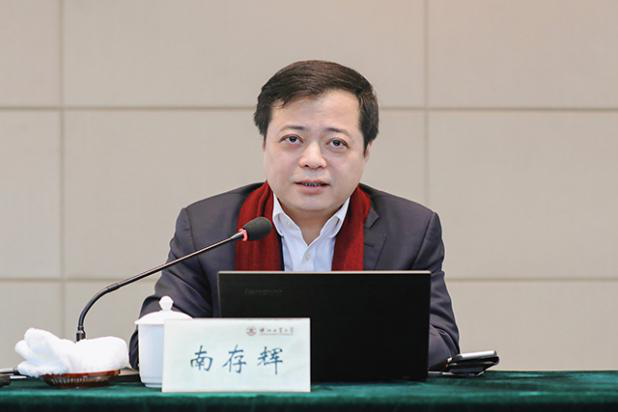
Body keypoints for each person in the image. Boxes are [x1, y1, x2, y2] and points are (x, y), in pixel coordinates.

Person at [129, 60, 459, 368]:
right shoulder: (207, 228)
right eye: (292, 139)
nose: (312, 159)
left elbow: (441, 342)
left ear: (366, 151)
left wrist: (294, 350)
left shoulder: (411, 230)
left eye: (336, 143)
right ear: (264, 144)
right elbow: (147, 347)